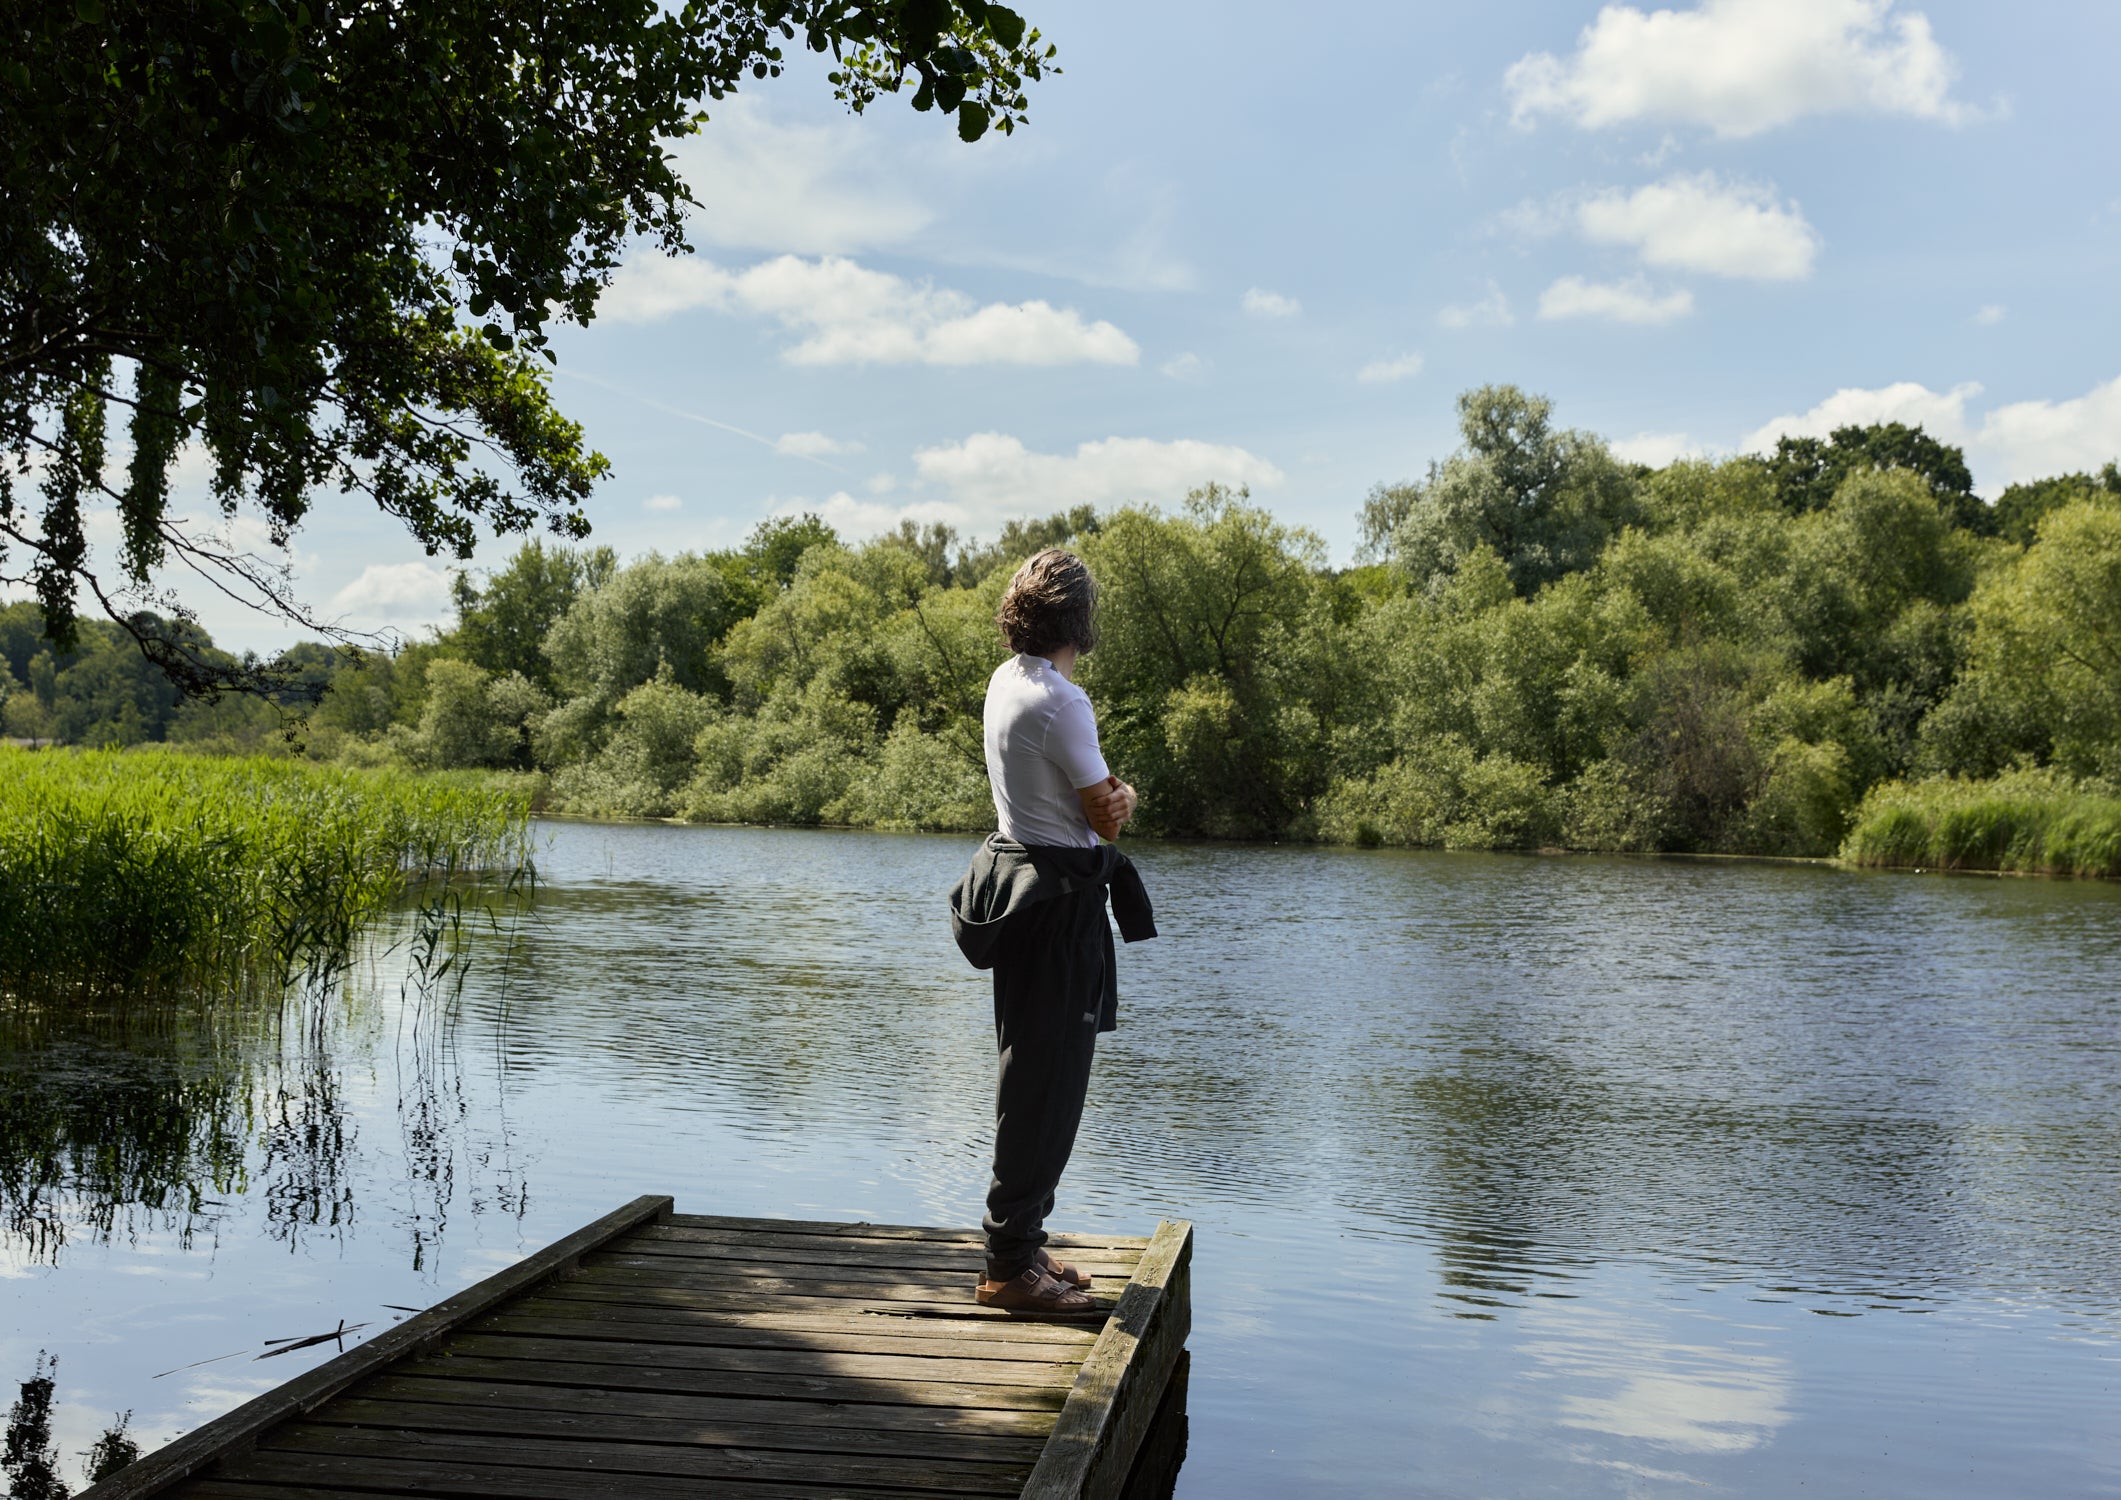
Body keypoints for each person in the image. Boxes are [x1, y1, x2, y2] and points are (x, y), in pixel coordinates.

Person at [947, 548, 1156, 1314]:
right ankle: (1008, 1269)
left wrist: (1105, 797)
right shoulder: (1062, 702)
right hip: (1058, 908)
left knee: (1033, 1075)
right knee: (1048, 1086)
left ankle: (1022, 1247)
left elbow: (1075, 798)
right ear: (1081, 619)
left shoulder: (1008, 681)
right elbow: (1106, 814)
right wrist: (1124, 795)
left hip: (1028, 896)